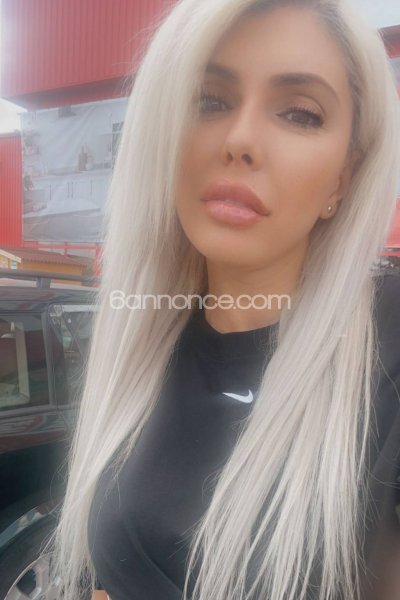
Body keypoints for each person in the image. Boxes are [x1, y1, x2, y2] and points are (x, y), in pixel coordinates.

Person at [49, 0, 400, 598]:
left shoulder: (387, 350)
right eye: (210, 101)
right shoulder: (139, 343)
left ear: (342, 180)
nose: (240, 141)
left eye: (299, 113)